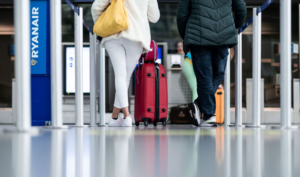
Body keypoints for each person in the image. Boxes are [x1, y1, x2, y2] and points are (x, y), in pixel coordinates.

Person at [176, 0, 247, 126]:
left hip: (198, 37)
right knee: (217, 74)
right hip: (223, 37)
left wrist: (187, 36)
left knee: (205, 77)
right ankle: (207, 113)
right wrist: (233, 27)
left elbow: (182, 15)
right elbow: (241, 9)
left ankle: (204, 110)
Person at [91, 0, 160, 127]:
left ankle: (114, 116)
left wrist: (102, 25)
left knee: (121, 76)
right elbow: (154, 17)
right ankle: (127, 115)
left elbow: (96, 8)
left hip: (113, 34)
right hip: (136, 36)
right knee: (125, 76)